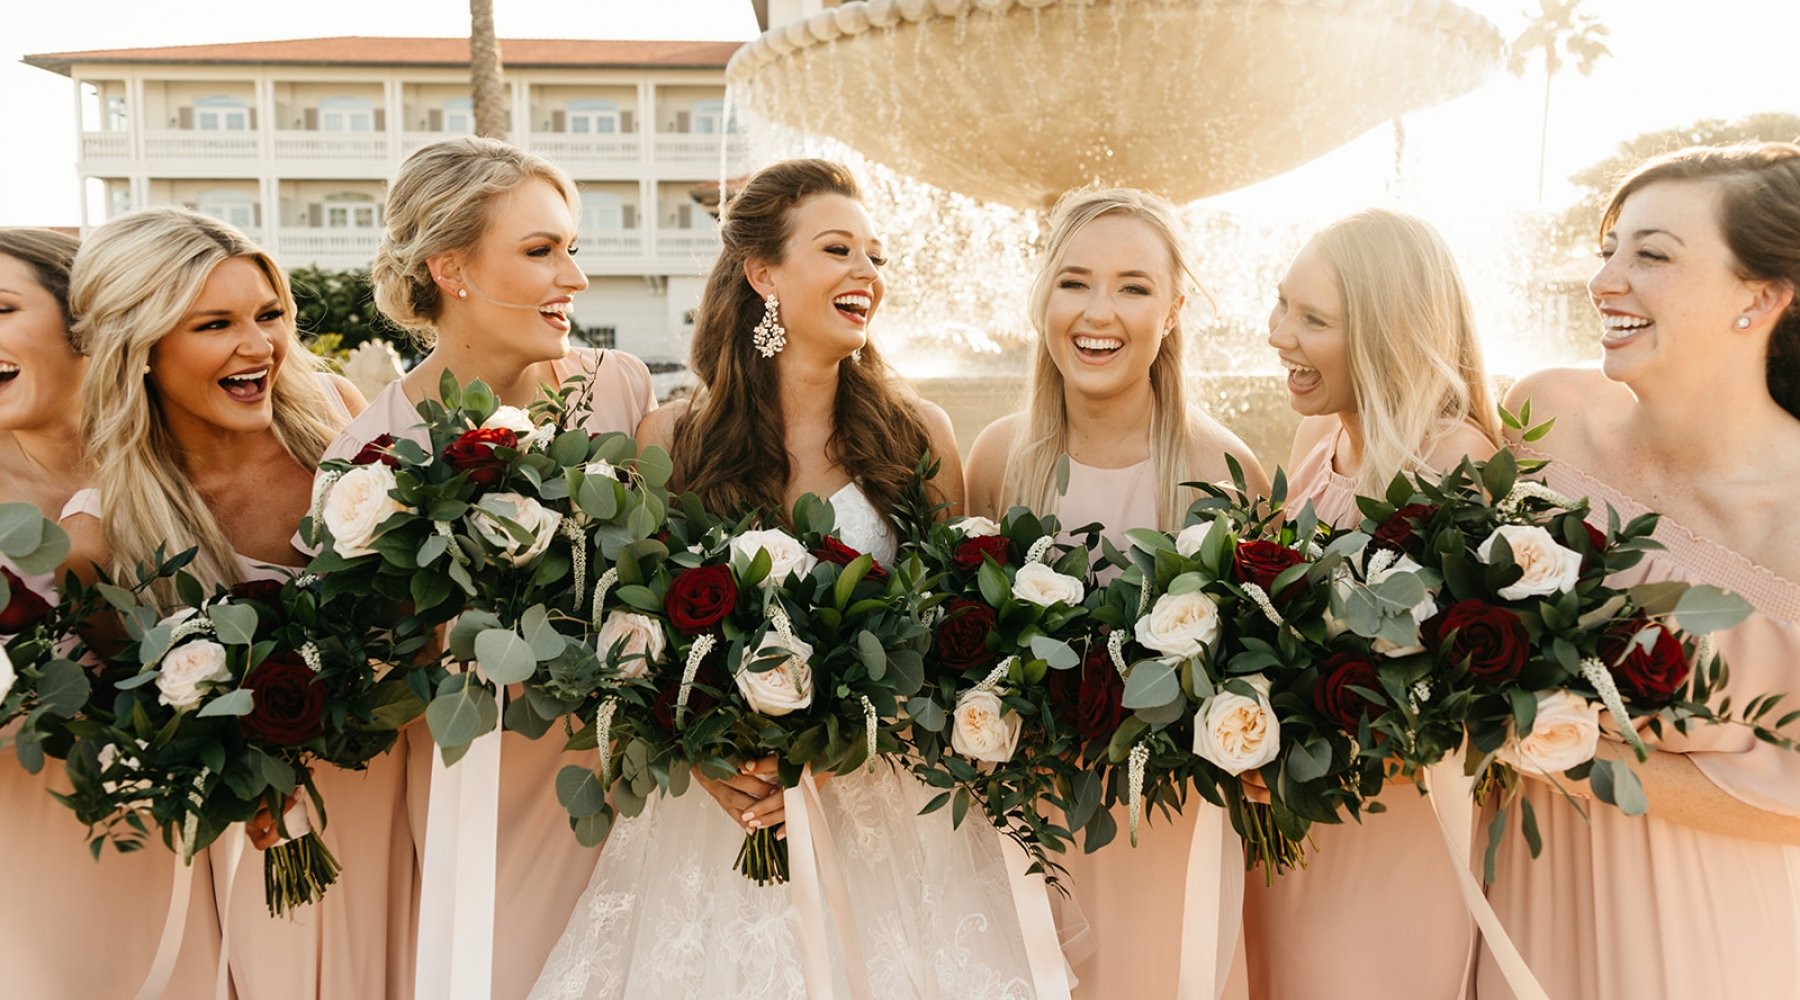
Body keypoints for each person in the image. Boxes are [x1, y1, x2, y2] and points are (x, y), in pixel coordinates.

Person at [531, 158, 1041, 1000]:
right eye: (838, 249)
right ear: (762, 272)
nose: (866, 274)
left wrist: (856, 739)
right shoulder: (673, 439)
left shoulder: (920, 436)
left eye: (877, 257)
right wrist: (700, 757)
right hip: (725, 815)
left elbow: (953, 638)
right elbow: (636, 636)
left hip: (883, 806)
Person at [327, 136, 656, 999]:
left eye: (572, 249)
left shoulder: (621, 389)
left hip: (634, 765)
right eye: (542, 251)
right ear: (451, 269)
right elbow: (364, 664)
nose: (573, 279)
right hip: (478, 779)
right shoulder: (370, 454)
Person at [62, 208, 415, 999]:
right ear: (140, 345)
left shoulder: (337, 419)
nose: (258, 347)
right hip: (259, 846)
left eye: (268, 315)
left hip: (401, 798)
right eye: (215, 324)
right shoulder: (104, 531)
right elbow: (139, 726)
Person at [1485, 143, 1800, 999]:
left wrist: (1547, 744)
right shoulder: (1544, 416)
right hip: (1517, 901)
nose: (1604, 280)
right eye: (1610, 249)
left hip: (1707, 941)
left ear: (1762, 296)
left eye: (1651, 255)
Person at [963, 186, 1266, 1000]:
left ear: (1171, 311)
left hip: (1168, 832)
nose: (1099, 312)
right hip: (1028, 829)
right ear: (1042, 299)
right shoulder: (997, 460)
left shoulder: (1221, 470)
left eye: (1134, 287)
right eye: (1074, 281)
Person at [1242, 208, 1498, 1000]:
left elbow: (1472, 702)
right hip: (1299, 826)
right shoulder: (1318, 444)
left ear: (1390, 332)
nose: (1279, 333)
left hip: (1393, 836)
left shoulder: (1453, 461)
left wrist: (1306, 759)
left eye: (1312, 318)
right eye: (1282, 303)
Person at [0, 228, 223, 998]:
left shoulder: (191, 451)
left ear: (88, 322)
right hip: (30, 839)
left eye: (0, 308)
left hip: (210, 829)